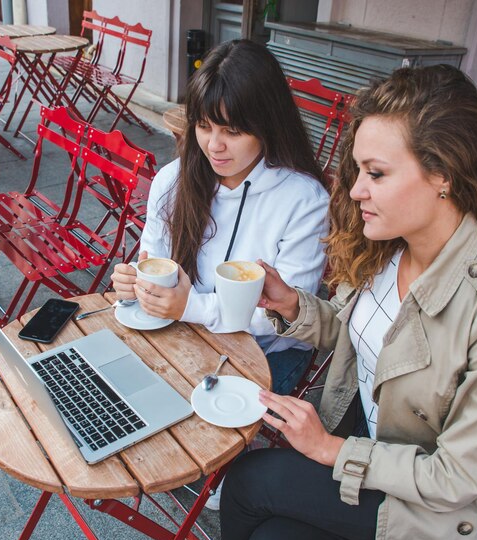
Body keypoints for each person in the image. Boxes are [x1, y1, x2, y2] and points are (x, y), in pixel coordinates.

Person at [165, 65, 477, 540]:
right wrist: (292, 305)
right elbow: (362, 334)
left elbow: (456, 479)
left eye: (375, 173)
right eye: (357, 170)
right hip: (373, 440)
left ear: (443, 173)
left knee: (249, 479)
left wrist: (329, 451)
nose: (354, 190)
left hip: (439, 506)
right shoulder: (388, 248)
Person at [110, 39, 329, 396]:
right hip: (189, 331)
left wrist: (189, 306)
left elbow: (283, 316)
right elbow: (154, 262)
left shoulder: (304, 201)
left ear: (267, 125)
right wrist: (137, 284)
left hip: (266, 351)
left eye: (233, 131)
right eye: (204, 126)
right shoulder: (174, 180)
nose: (214, 145)